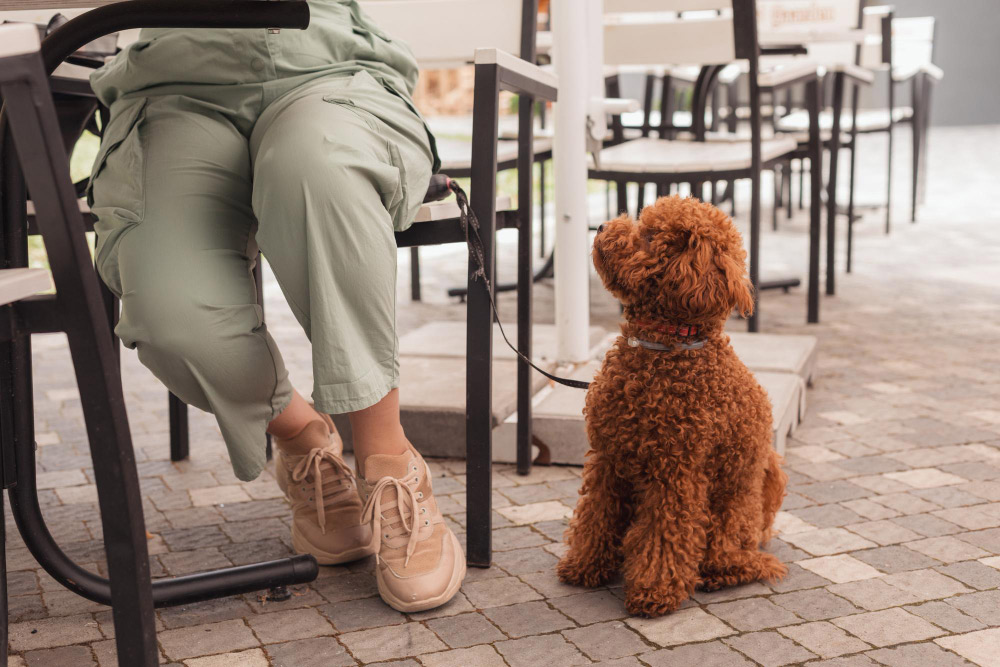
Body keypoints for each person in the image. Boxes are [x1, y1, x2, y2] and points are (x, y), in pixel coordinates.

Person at [86, 0, 464, 612]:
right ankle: (304, 438)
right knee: (170, 316)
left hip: (324, 62)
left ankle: (391, 463)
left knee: (316, 167)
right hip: (176, 83)